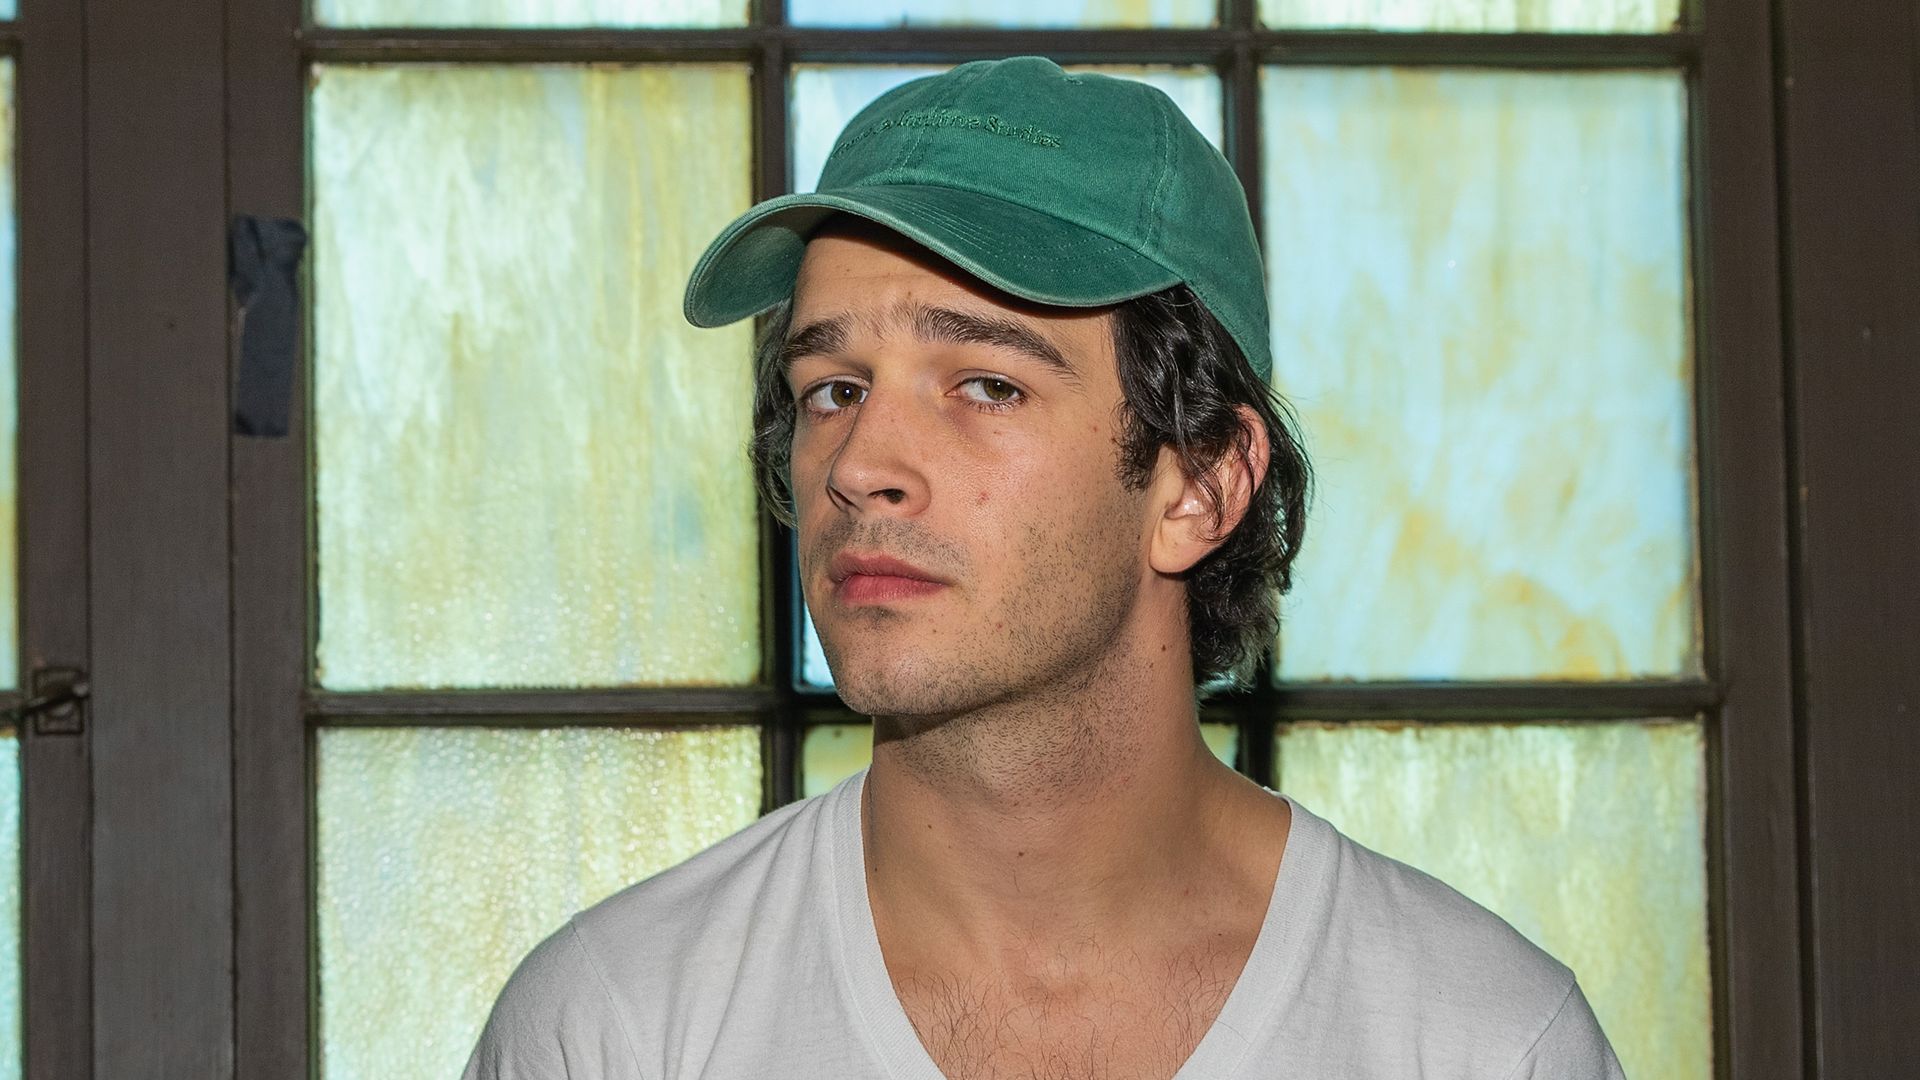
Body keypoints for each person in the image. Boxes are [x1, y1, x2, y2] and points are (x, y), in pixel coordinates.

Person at [463, 55, 1624, 1080]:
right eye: (835, 388)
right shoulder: (610, 1029)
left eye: (986, 384)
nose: (861, 464)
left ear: (1203, 485)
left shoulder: (1481, 1041)